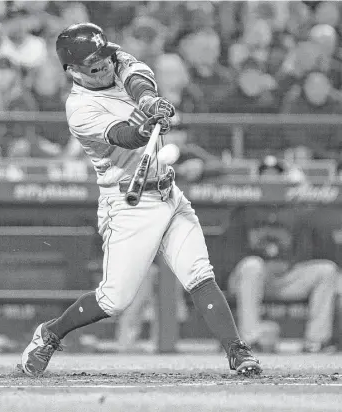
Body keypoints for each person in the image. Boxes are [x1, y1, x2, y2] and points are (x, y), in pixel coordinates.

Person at [20, 22, 261, 377]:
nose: (102, 65)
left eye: (102, 56)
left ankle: (237, 351)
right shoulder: (79, 108)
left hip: (167, 191)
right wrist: (143, 129)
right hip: (128, 205)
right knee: (113, 300)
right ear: (71, 70)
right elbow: (123, 135)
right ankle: (50, 334)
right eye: (91, 62)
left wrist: (150, 102)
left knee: (198, 273)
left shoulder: (116, 59)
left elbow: (138, 82)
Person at [227, 159, 339, 353]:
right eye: (266, 175)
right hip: (249, 279)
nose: (271, 179)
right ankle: (250, 341)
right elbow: (229, 250)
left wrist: (303, 192)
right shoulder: (243, 207)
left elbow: (319, 233)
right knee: (252, 266)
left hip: (285, 279)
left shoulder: (296, 210)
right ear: (258, 179)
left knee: (326, 270)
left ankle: (316, 341)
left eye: (276, 175)